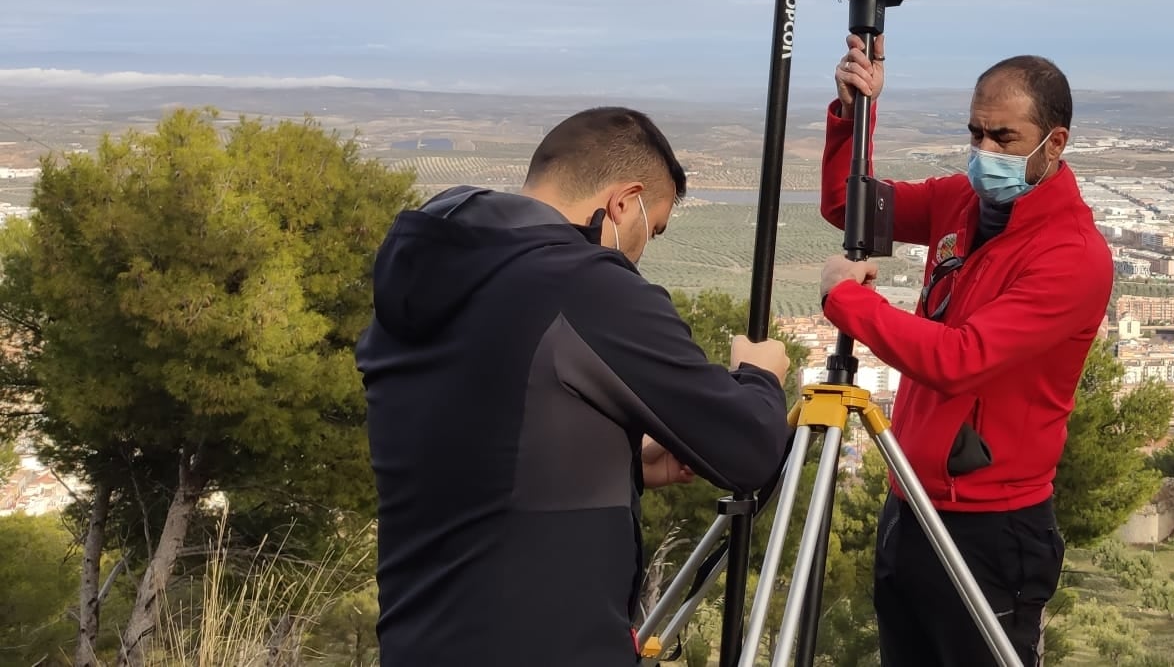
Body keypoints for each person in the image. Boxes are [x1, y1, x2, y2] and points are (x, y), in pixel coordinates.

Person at [357, 106, 794, 667]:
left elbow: (481, 444)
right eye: (651, 228)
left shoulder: (433, 273)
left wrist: (627, 464)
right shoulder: (588, 287)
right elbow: (751, 451)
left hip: (417, 640)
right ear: (622, 202)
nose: (641, 249)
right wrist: (759, 374)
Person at [817, 36, 1113, 667]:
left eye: (1003, 138)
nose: (983, 152)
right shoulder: (963, 201)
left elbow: (960, 359)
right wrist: (850, 118)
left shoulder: (1072, 256)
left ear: (1053, 144)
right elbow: (851, 207)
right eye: (975, 133)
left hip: (992, 528)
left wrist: (850, 302)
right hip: (910, 505)